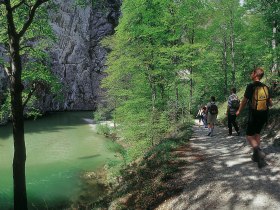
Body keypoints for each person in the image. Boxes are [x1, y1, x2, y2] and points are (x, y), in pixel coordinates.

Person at [236, 67, 273, 168]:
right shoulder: (266, 87)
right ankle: (256, 156)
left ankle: (258, 150)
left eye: (252, 73)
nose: (250, 74)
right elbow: (270, 103)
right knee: (257, 133)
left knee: (249, 135)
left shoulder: (251, 86)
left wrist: (239, 110)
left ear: (255, 75)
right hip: (264, 114)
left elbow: (243, 101)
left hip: (254, 114)